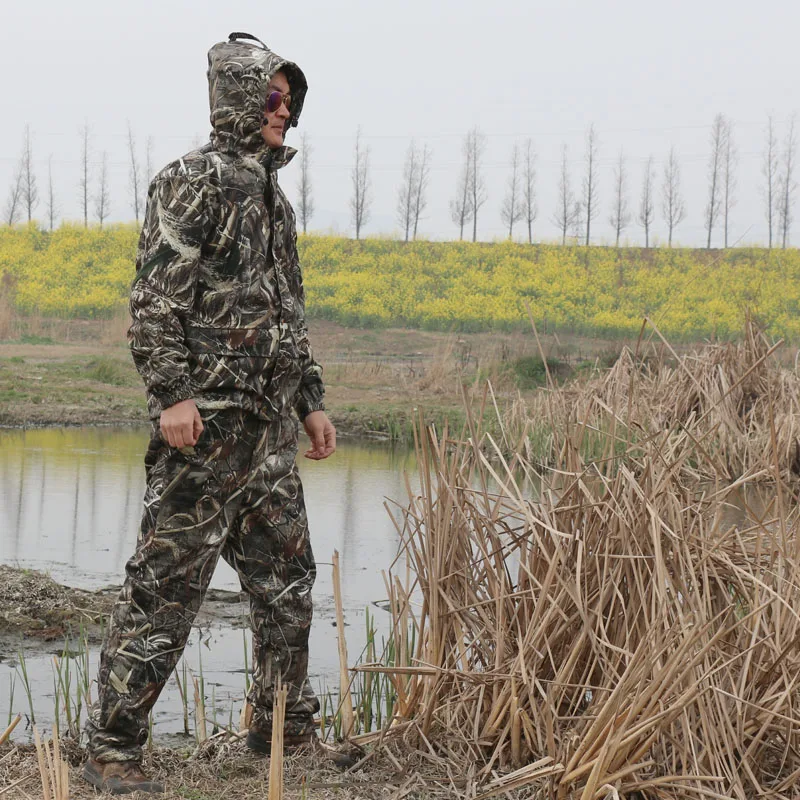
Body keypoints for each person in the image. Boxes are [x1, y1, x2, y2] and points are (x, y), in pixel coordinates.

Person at [83, 32, 339, 795]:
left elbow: (287, 316)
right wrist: (171, 395)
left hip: (267, 436)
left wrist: (312, 402)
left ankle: (281, 733)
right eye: (270, 96)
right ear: (236, 100)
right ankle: (111, 751)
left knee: (288, 583)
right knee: (164, 590)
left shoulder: (273, 199)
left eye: (289, 100)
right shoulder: (188, 182)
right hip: (202, 435)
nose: (282, 111)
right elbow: (155, 302)